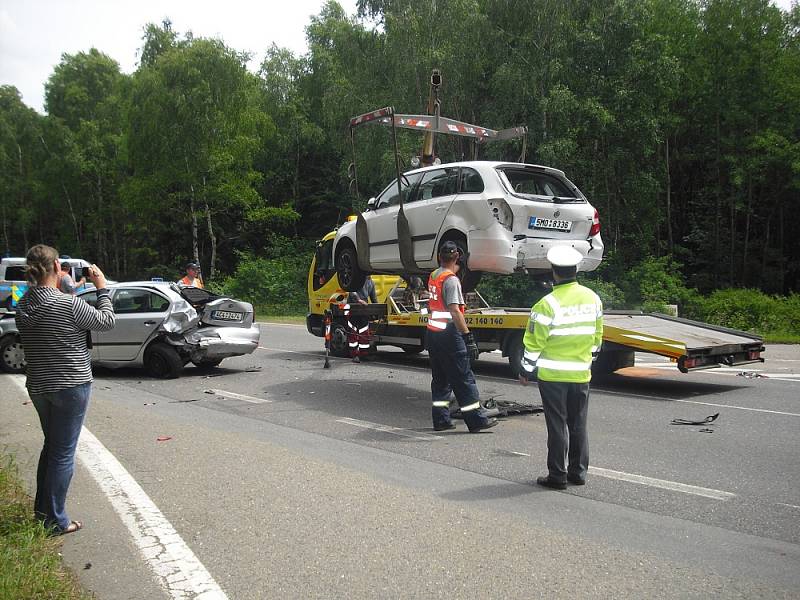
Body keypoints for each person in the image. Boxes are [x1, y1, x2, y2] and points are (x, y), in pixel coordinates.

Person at [15, 245, 115, 534]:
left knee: (52, 448)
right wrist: (102, 288)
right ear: (58, 265)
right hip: (71, 385)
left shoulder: (23, 306)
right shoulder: (67, 304)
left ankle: (43, 514)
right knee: (62, 454)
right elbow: (106, 321)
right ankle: (55, 521)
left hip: (39, 386)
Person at [518, 246, 603, 489]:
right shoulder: (593, 298)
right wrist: (587, 360)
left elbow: (533, 345)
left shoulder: (546, 305)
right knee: (578, 425)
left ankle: (557, 475)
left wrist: (525, 371)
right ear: (576, 270)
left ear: (553, 273)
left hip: (553, 377)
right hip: (581, 374)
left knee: (557, 425)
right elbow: (597, 337)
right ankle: (578, 472)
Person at [426, 241, 497, 432]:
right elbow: (455, 311)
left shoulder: (434, 275)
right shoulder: (451, 280)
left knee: (440, 379)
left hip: (433, 333)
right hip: (450, 334)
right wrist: (468, 337)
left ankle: (441, 420)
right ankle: (476, 421)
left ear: (439, 257)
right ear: (457, 257)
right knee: (463, 378)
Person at [346, 277, 377, 363]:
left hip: (363, 310)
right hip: (354, 308)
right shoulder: (356, 279)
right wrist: (358, 300)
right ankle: (354, 355)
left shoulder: (371, 282)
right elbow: (352, 291)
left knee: (364, 332)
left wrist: (377, 309)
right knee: (353, 332)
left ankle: (363, 354)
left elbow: (374, 298)